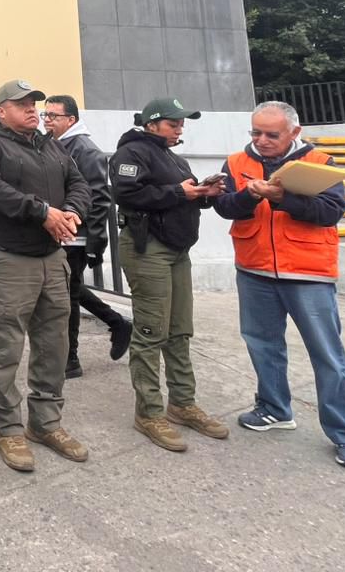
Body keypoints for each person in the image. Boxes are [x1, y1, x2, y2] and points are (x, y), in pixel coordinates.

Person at [213, 101, 345, 471]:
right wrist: (249, 195)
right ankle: (273, 409)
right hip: (254, 268)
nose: (262, 140)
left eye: (272, 134)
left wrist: (285, 199)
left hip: (308, 272)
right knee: (262, 344)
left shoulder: (319, 162)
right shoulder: (236, 162)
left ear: (294, 133)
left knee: (327, 355)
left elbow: (331, 212)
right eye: (256, 132)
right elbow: (225, 207)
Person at [0, 80, 92, 472]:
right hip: (8, 261)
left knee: (54, 344)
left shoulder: (50, 145)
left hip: (52, 259)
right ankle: (8, 428)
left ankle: (46, 422)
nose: (31, 109)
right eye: (21, 104)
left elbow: (79, 183)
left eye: (34, 103)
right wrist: (42, 212)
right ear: (1, 110)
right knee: (5, 348)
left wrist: (71, 212)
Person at [110, 98, 228, 453]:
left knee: (179, 330)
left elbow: (177, 197)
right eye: (173, 123)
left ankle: (182, 403)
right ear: (151, 124)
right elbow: (126, 192)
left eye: (181, 124)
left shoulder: (173, 158)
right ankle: (148, 413)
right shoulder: (131, 153)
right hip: (148, 249)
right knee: (151, 331)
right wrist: (179, 191)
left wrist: (202, 193)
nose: (180, 129)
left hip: (177, 250)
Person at [42, 95, 131, 378]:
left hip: (75, 236)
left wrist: (94, 241)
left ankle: (70, 359)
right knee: (70, 288)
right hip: (58, 233)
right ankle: (116, 322)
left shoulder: (84, 149)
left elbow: (100, 197)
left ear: (71, 120)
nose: (47, 120)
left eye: (53, 116)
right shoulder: (54, 144)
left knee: (68, 295)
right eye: (45, 115)